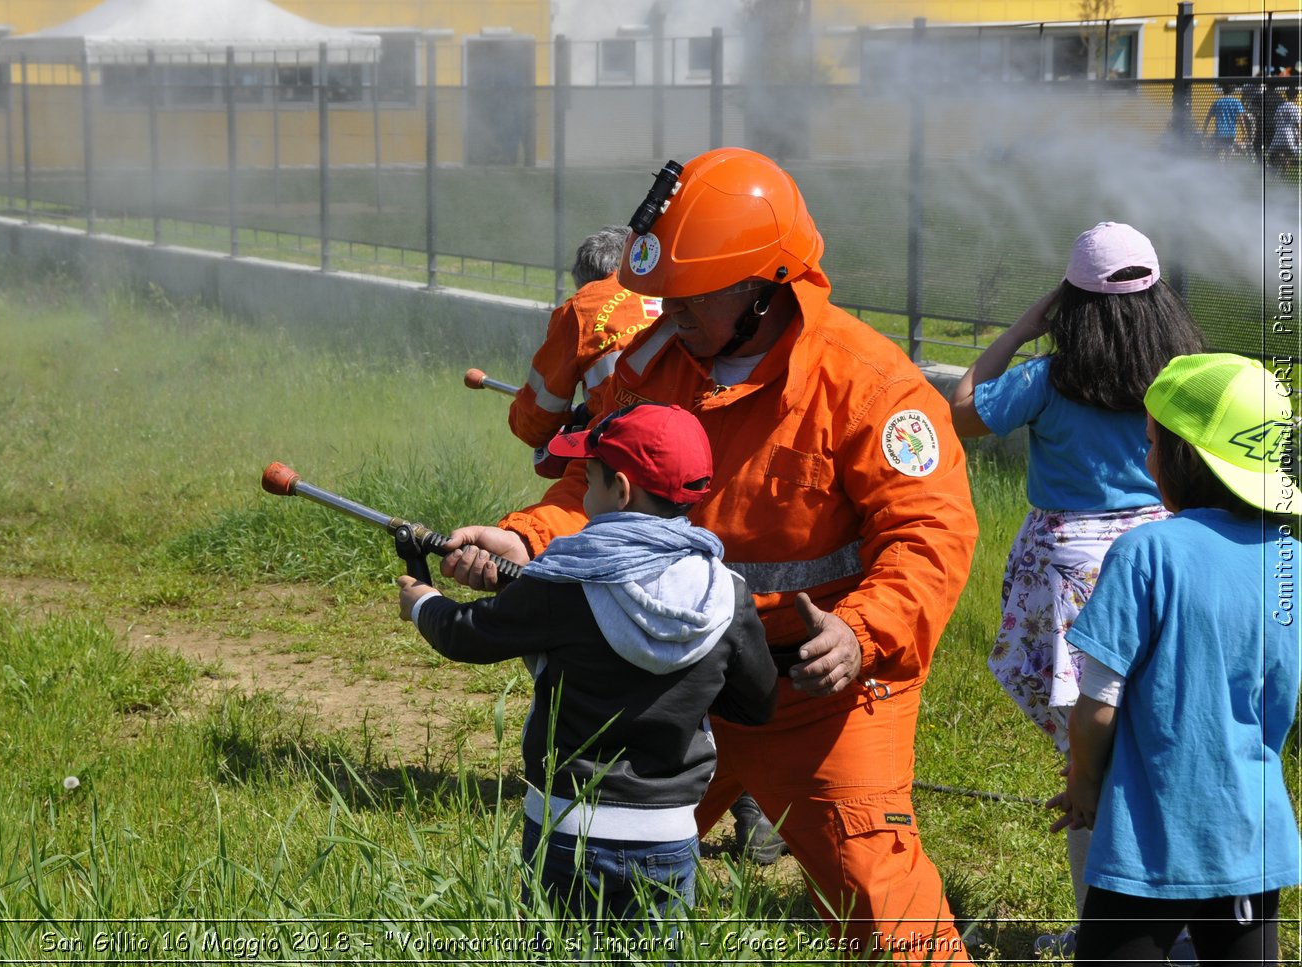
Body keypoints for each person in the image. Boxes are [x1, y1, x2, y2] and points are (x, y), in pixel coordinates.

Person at [440, 147, 979, 963]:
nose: (667, 314)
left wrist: (860, 631)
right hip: (663, 674)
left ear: (761, 286)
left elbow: (929, 535)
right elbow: (595, 485)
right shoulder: (653, 364)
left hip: (817, 688)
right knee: (582, 883)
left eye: (688, 299)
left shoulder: (870, 385)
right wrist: (526, 537)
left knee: (882, 901)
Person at [397, 403, 777, 930]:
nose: (581, 493)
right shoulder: (726, 594)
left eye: (588, 479)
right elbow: (755, 704)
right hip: (669, 835)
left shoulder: (564, 580)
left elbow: (468, 634)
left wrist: (421, 598)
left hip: (566, 827)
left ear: (620, 490)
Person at [949, 221, 1206, 956]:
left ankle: (1100, 928)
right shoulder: (1183, 373)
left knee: (1089, 766)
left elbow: (963, 409)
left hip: (1067, 580)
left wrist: (1026, 324)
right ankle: (1185, 929)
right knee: (1157, 748)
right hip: (1165, 565)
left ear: (1072, 301)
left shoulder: (1049, 378)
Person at [509, 222, 788, 863]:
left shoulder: (586, 307)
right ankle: (753, 811)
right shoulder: (687, 296)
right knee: (712, 650)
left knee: (626, 634)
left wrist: (567, 425)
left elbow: (533, 417)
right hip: (702, 493)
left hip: (628, 489)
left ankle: (616, 775)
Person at [1048, 353, 1299, 967]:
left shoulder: (1146, 552)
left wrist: (1084, 781)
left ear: (1189, 456)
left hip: (1147, 841)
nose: (1147, 457)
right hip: (1250, 837)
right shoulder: (1289, 562)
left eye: (1154, 442)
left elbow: (1098, 708)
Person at [508, 225, 659, 451]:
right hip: (696, 432)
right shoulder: (669, 288)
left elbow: (536, 423)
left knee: (564, 479)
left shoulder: (582, 308)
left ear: (588, 284)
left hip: (626, 441)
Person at [1202, 83, 1250, 160]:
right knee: (1228, 154)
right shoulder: (1236, 102)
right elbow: (1241, 119)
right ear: (1233, 91)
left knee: (1216, 152)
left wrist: (1204, 130)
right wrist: (1245, 132)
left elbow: (1208, 117)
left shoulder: (1217, 102)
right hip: (1231, 133)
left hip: (1219, 133)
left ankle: (1217, 168)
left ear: (1223, 91)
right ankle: (1226, 168)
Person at [1267, 86, 1299, 174]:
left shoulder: (1280, 107)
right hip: (1290, 133)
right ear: (1295, 96)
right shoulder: (1295, 108)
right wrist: (1299, 135)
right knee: (1288, 153)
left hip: (1279, 132)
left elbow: (1275, 120)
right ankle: (1284, 172)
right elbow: (1297, 123)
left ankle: (1280, 169)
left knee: (1278, 152)